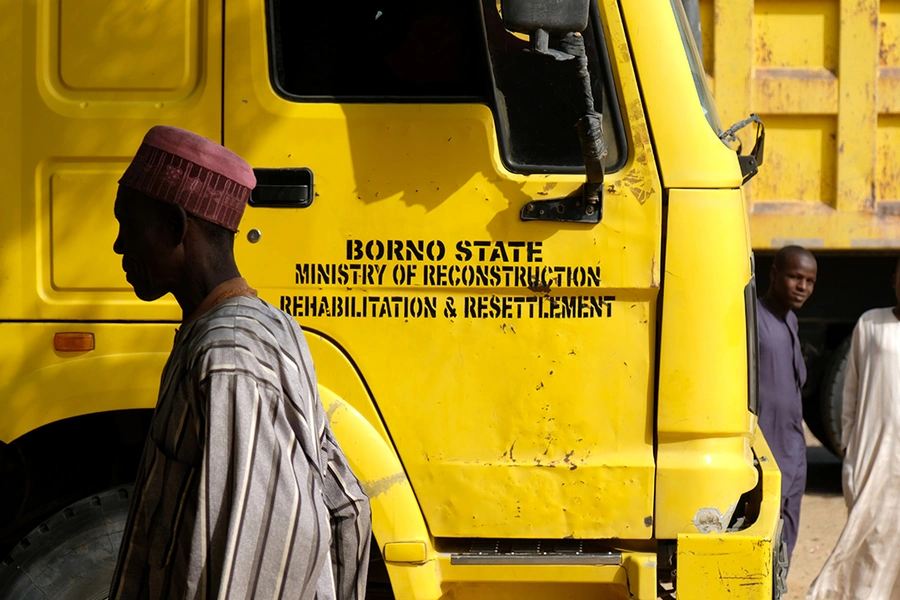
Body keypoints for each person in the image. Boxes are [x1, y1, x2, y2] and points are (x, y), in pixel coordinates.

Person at [108, 125, 371, 599]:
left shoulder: (229, 359)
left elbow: (244, 561)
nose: (119, 246)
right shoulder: (262, 329)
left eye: (127, 224)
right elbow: (347, 505)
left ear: (174, 227)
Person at [808, 259, 900, 600]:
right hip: (873, 461)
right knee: (871, 548)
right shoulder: (871, 323)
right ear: (894, 281)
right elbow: (849, 392)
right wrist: (849, 448)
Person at [757, 245, 817, 564]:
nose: (802, 287)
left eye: (809, 281)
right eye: (795, 277)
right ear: (774, 274)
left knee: (784, 547)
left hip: (794, 455)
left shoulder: (791, 321)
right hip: (766, 455)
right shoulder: (753, 318)